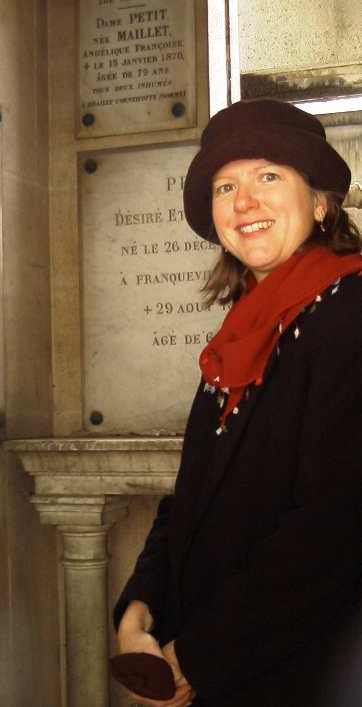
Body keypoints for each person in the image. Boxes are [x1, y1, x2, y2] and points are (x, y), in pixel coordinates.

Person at [113, 99, 362, 707]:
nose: (243, 202)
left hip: (311, 675)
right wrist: (138, 610)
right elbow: (193, 497)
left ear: (322, 202)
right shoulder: (244, 332)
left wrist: (196, 658)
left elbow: (333, 526)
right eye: (226, 186)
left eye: (268, 176)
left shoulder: (349, 315)